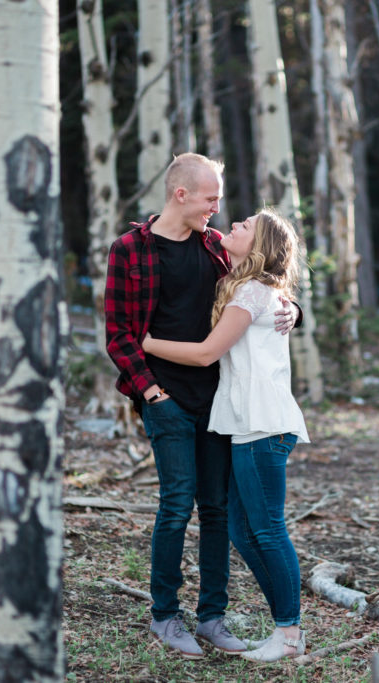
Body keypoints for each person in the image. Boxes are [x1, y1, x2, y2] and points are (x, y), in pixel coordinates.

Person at [104, 154, 297, 659]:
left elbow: (266, 281)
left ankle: (212, 617)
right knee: (175, 506)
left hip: (217, 401)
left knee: (215, 510)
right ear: (181, 194)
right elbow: (118, 335)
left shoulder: (215, 247)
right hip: (163, 397)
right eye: (211, 197)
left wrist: (293, 310)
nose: (218, 207)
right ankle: (165, 616)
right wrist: (150, 393)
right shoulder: (130, 250)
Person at [142, 209, 310, 663]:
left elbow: (205, 354)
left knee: (269, 530)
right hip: (246, 426)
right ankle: (285, 623)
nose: (233, 225)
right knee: (241, 528)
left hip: (262, 426)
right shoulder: (250, 286)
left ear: (258, 247)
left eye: (245, 226)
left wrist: (148, 343)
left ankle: (288, 632)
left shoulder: (253, 292)